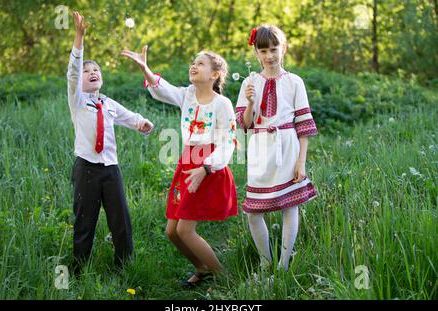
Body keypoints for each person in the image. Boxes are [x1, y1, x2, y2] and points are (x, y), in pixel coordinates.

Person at [122, 46, 238, 286]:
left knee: (185, 230)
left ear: (215, 74)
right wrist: (145, 69)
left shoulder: (222, 104)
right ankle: (202, 269)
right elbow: (162, 90)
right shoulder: (187, 95)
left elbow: (229, 142)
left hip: (207, 168)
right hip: (186, 164)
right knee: (172, 232)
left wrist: (206, 167)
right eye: (192, 62)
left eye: (201, 64)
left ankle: (225, 278)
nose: (193, 66)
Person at [67, 12, 154, 272]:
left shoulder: (108, 103)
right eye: (87, 71)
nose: (92, 72)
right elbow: (73, 71)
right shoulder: (78, 100)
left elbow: (130, 117)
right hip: (87, 169)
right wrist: (79, 37)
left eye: (96, 70)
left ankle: (124, 267)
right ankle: (79, 270)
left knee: (121, 221)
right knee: (85, 222)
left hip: (111, 169)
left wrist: (143, 124)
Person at [235, 25, 318, 271]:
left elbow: (303, 125)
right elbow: (246, 124)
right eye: (263, 50)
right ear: (256, 52)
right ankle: (265, 261)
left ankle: (283, 264)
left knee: (289, 206)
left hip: (287, 145)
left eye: (274, 49)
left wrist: (301, 162)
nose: (269, 55)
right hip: (261, 148)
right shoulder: (249, 83)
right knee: (254, 212)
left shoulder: (294, 82)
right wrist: (250, 102)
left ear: (283, 49)